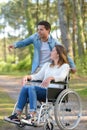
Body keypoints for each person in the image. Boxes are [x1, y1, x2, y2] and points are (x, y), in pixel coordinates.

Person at [4, 45, 70, 125]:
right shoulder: (47, 65)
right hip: (44, 91)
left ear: (58, 53)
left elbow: (62, 77)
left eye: (53, 51)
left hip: (54, 92)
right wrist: (27, 77)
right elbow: (37, 76)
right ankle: (17, 115)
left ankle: (32, 116)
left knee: (32, 88)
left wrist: (51, 78)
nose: (50, 52)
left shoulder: (65, 66)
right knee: (25, 87)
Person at [8, 20, 76, 73]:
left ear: (48, 30)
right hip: (37, 68)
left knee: (45, 89)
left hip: (49, 69)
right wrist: (14, 45)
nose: (38, 31)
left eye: (41, 29)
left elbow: (64, 53)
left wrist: (72, 66)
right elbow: (24, 42)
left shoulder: (54, 41)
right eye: (38, 29)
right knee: (32, 87)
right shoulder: (35, 37)